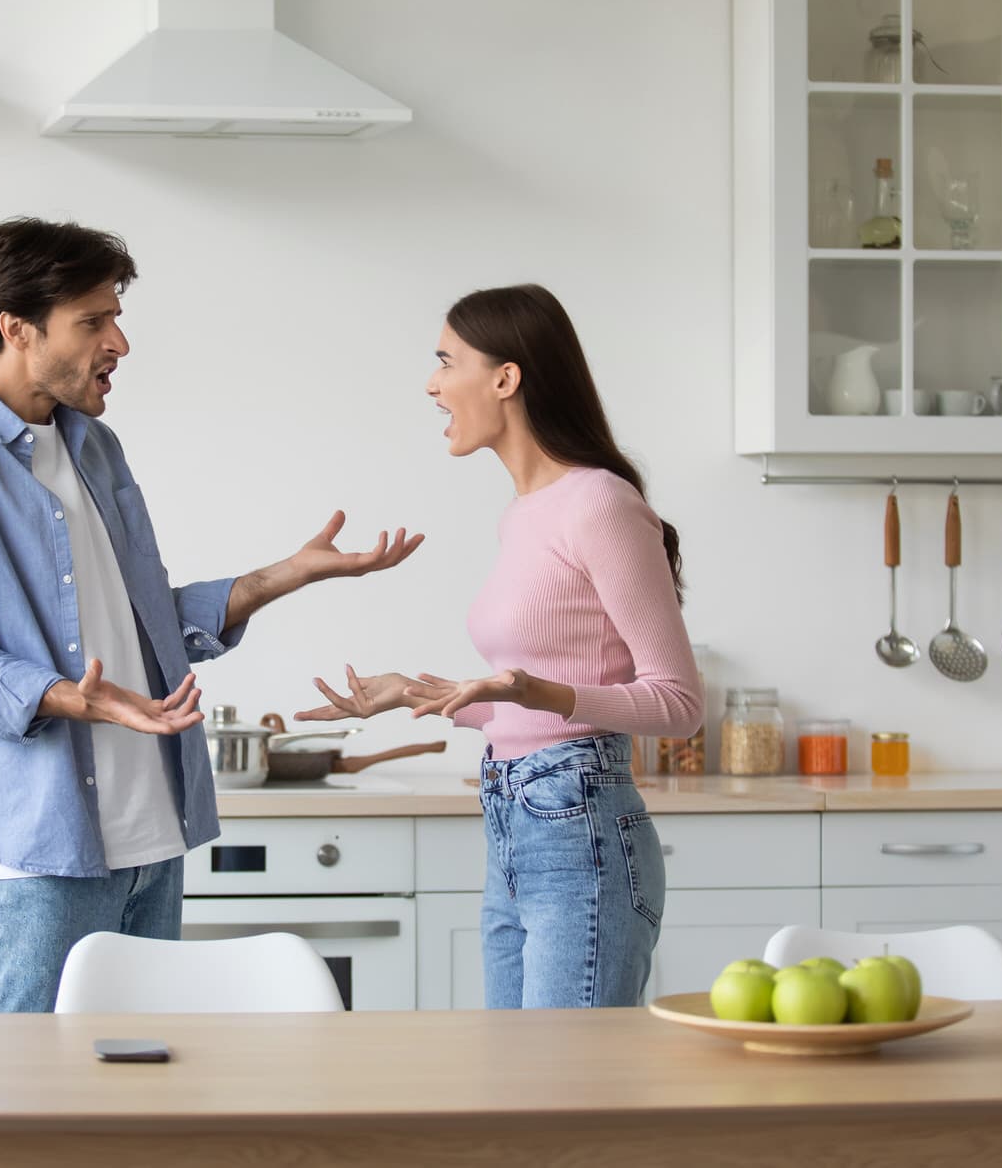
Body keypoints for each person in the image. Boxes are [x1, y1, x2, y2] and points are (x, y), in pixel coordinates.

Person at [0, 217, 421, 1013]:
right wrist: (68, 696)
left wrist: (283, 575)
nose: (119, 343)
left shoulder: (95, 447)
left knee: (123, 1102)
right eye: (93, 321)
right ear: (17, 329)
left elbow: (142, 623)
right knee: (3, 1101)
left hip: (153, 838)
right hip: (45, 851)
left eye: (116, 317)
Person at [297, 283, 700, 1009]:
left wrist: (530, 688)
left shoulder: (600, 503)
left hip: (581, 832)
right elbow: (526, 704)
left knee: (562, 1098)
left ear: (505, 378)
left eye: (446, 361)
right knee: (517, 1084)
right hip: (517, 819)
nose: (432, 383)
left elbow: (678, 704)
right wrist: (416, 693)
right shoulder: (524, 514)